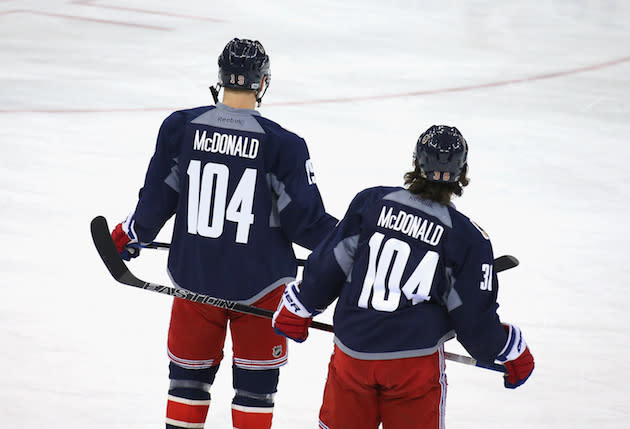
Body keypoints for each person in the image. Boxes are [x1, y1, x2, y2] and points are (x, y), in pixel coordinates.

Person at [111, 38, 337, 429]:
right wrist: (353, 247)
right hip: (262, 289)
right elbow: (307, 224)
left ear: (220, 79)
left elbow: (157, 199)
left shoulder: (181, 127)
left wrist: (131, 233)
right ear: (263, 83)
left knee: (187, 385)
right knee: (254, 393)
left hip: (193, 281)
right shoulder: (284, 145)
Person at [272, 125, 535, 428]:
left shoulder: (370, 203)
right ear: (461, 172)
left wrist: (300, 306)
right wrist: (507, 348)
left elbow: (331, 263)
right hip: (413, 365)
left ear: (416, 162)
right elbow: (473, 320)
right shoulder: (467, 238)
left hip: (353, 357)